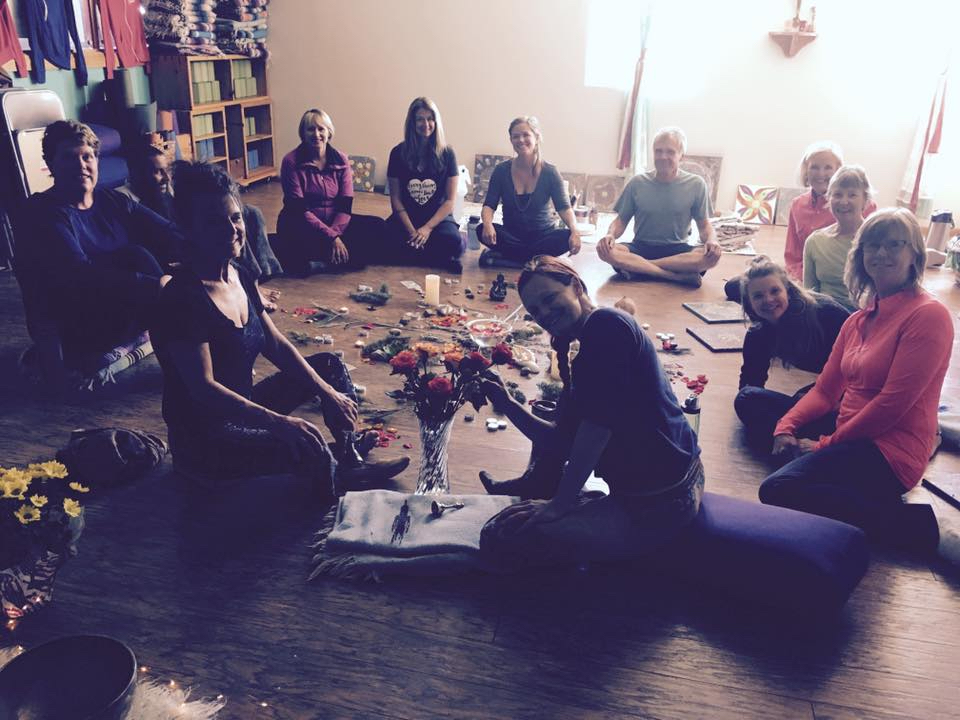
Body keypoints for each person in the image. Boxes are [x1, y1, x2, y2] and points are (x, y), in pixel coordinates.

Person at [150, 162, 408, 494]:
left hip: (241, 411)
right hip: (206, 440)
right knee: (306, 444)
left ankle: (348, 456)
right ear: (189, 229)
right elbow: (204, 389)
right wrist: (279, 423)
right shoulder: (182, 298)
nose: (231, 229)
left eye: (235, 217)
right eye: (214, 222)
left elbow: (274, 343)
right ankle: (337, 471)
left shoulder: (239, 274)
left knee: (329, 366)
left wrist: (326, 392)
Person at [477, 255, 704, 570]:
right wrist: (506, 403)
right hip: (650, 490)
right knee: (517, 521)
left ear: (576, 286)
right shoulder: (589, 336)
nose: (544, 314)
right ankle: (549, 491)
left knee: (501, 538)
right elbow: (560, 442)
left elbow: (595, 431)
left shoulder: (607, 326)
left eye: (549, 299)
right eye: (535, 310)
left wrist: (560, 505)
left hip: (661, 502)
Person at [760, 209, 952, 555]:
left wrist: (823, 446)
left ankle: (928, 530)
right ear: (861, 255)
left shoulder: (929, 315)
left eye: (894, 244)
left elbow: (891, 405)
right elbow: (825, 390)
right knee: (752, 401)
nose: (881, 253)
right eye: (872, 245)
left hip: (891, 449)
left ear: (915, 254)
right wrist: (785, 427)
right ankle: (832, 481)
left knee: (777, 488)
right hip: (850, 429)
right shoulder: (858, 321)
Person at [17, 120, 177, 383]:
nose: (81, 165)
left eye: (87, 156)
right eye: (69, 158)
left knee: (144, 256)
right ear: (50, 164)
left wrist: (209, 246)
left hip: (120, 311)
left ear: (96, 160)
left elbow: (168, 231)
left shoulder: (111, 200)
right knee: (138, 260)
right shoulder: (43, 213)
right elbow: (81, 275)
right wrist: (158, 286)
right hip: (79, 325)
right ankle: (187, 367)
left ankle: (198, 354)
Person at [121, 143, 282, 309]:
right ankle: (252, 288)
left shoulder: (164, 191)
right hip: (179, 245)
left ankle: (256, 280)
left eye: (165, 170)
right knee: (230, 230)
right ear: (138, 174)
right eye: (157, 172)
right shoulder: (129, 200)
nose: (166, 178)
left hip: (183, 231)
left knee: (249, 214)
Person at [734, 256, 849, 453]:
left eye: (775, 291)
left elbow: (861, 365)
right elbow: (750, 383)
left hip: (858, 390)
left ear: (787, 289)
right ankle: (800, 441)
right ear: (749, 303)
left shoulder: (826, 313)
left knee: (806, 402)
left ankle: (804, 442)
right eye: (758, 296)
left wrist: (836, 401)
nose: (768, 300)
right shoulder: (758, 334)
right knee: (746, 398)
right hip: (828, 391)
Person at [596, 127, 721, 287]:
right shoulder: (637, 183)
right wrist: (610, 235)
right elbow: (620, 221)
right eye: (658, 151)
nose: (663, 157)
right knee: (607, 252)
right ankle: (673, 276)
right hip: (641, 247)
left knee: (707, 257)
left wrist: (712, 241)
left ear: (681, 155)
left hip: (678, 250)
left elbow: (704, 226)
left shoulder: (696, 184)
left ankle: (640, 268)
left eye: (670, 152)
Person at [276, 108, 384, 275]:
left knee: (377, 226)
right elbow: (299, 209)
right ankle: (335, 260)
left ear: (329, 132)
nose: (316, 134)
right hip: (303, 222)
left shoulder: (341, 159)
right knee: (292, 239)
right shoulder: (290, 161)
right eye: (310, 129)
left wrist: (335, 234)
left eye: (321, 129)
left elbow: (345, 207)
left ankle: (320, 261)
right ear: (303, 133)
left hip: (334, 222)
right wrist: (332, 237)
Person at [478, 116, 580, 268]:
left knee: (566, 236)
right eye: (516, 136)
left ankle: (513, 259)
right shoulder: (501, 171)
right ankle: (536, 260)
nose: (521, 140)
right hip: (512, 236)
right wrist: (487, 224)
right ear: (511, 140)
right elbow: (489, 205)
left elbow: (564, 208)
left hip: (542, 237)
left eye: (526, 135)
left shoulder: (550, 172)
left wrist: (575, 231)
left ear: (536, 137)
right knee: (480, 229)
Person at [384, 97, 464, 271]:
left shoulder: (448, 153)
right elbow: (395, 199)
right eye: (420, 119)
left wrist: (427, 229)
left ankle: (412, 255)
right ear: (412, 123)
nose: (425, 124)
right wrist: (412, 232)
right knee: (383, 237)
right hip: (407, 217)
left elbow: (450, 201)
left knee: (452, 240)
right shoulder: (397, 153)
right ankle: (436, 258)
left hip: (437, 219)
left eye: (430, 119)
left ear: (436, 122)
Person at [802, 165, 872, 311]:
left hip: (865, 316)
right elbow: (809, 296)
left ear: (865, 199)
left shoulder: (877, 239)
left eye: (852, 195)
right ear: (829, 199)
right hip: (826, 316)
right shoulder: (815, 242)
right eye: (838, 195)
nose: (844, 201)